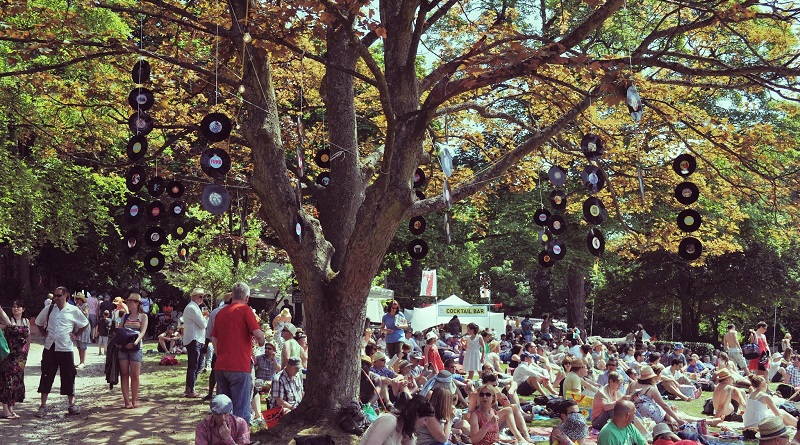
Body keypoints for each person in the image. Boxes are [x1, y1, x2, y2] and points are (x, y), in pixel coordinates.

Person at [211, 282, 266, 423]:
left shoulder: (220, 312)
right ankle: (242, 439)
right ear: (247, 297)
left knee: (223, 408)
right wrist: (262, 342)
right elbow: (258, 334)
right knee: (241, 409)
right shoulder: (245, 310)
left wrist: (220, 355)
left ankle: (223, 437)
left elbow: (214, 339)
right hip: (240, 366)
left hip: (221, 365)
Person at [34, 286, 90, 417]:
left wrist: (76, 335)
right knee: (47, 375)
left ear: (66, 295)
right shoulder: (49, 309)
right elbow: (38, 322)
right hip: (50, 347)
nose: (56, 298)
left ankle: (72, 405)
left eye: (58, 295)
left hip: (65, 347)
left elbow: (85, 323)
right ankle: (43, 406)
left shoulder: (73, 310)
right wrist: (43, 333)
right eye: (55, 296)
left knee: (69, 375)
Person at [358, 394, 436, 445]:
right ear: (416, 415)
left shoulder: (406, 433)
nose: (425, 424)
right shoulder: (389, 421)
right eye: (425, 419)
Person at [117, 292, 148, 408]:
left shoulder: (143, 316)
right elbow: (119, 331)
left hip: (136, 348)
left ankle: (135, 400)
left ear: (137, 303)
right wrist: (120, 344)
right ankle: (126, 401)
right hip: (123, 348)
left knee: (135, 375)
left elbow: (143, 331)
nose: (128, 303)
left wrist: (135, 343)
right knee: (124, 374)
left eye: (131, 301)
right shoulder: (124, 316)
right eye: (128, 301)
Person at [0, 301, 30, 419]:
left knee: (16, 383)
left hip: (21, 357)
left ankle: (11, 409)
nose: (16, 308)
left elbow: (28, 338)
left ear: (23, 309)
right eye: (14, 306)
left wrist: (27, 352)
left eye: (18, 307)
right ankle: (5, 410)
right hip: (9, 356)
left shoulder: (26, 321)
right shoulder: (8, 321)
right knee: (7, 381)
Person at [204, 291, 233, 402]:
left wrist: (206, 345)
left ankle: (211, 393)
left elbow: (209, 331)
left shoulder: (215, 312)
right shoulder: (235, 311)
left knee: (215, 370)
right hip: (230, 346)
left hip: (217, 345)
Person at [183, 288, 208, 398]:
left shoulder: (195, 307)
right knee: (194, 365)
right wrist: (206, 318)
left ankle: (191, 388)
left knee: (199, 365)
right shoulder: (192, 307)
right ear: (193, 297)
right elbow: (203, 324)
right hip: (194, 339)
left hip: (197, 339)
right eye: (200, 296)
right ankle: (190, 389)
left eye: (203, 297)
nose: (202, 299)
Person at [72, 292, 92, 369]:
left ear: (81, 299)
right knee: (79, 346)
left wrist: (79, 309)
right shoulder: (76, 306)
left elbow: (85, 313)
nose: (76, 300)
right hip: (77, 327)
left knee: (83, 345)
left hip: (84, 327)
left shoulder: (85, 305)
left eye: (77, 299)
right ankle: (80, 361)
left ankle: (83, 362)